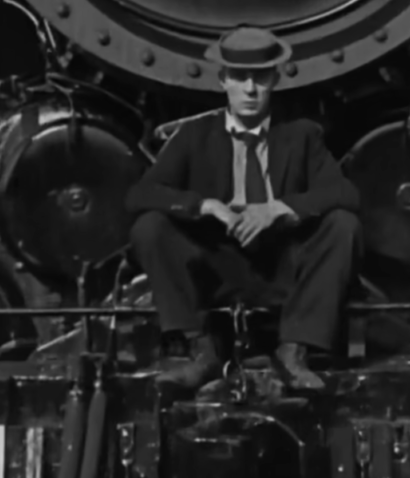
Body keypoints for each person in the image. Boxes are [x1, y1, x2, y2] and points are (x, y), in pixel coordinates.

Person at [126, 28, 362, 391]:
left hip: (282, 268)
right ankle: (200, 350)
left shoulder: (301, 134)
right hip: (216, 268)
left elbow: (345, 193)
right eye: (240, 77)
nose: (250, 89)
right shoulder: (194, 135)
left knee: (343, 224)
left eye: (260, 78)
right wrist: (203, 205)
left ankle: (295, 351)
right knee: (149, 226)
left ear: (275, 80)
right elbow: (139, 195)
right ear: (223, 79)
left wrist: (281, 208)